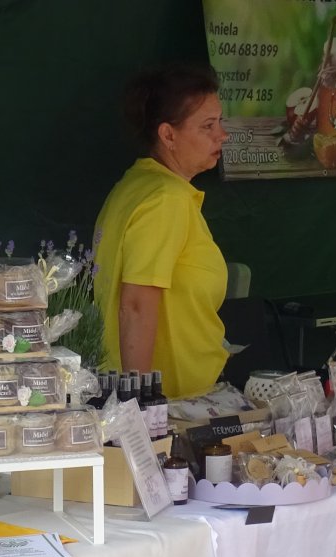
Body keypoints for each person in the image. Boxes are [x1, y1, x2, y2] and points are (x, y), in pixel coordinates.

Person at [92, 64, 230, 399]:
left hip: (176, 397)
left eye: (220, 122)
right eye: (208, 126)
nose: (222, 135)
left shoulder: (136, 184)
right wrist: (142, 402)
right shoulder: (166, 199)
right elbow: (136, 304)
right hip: (173, 402)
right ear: (168, 135)